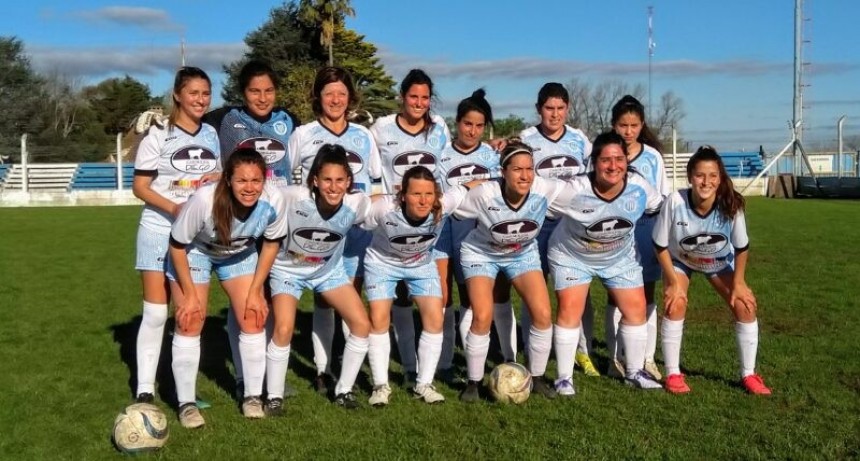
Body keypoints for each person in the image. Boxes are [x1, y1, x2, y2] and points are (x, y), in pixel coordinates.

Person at [167, 148, 286, 427]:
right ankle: (186, 403)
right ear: (228, 180)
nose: (250, 188)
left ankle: (252, 397)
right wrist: (191, 296)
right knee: (190, 319)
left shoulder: (273, 200)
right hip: (194, 252)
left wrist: (257, 290)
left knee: (254, 316)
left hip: (239, 254)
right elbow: (177, 245)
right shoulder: (204, 200)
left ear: (264, 180)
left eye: (256, 181)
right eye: (242, 180)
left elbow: (271, 243)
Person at [203, 59, 300, 400]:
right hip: (242, 220)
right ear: (242, 93)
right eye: (254, 91)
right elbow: (193, 132)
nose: (262, 97)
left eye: (269, 90)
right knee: (244, 302)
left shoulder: (289, 120)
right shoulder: (224, 119)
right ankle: (246, 377)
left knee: (271, 298)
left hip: (278, 221)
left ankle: (270, 376)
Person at [547, 132, 664, 395]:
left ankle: (633, 371)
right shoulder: (573, 190)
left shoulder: (640, 187)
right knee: (570, 310)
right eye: (606, 160)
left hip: (619, 257)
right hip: (572, 256)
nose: (613, 166)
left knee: (636, 309)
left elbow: (659, 208)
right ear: (594, 162)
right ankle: (564, 378)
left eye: (619, 159)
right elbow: (537, 195)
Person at [288, 66, 381, 395]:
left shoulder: (363, 135)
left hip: (355, 232)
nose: (336, 99)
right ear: (318, 97)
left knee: (351, 296)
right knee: (324, 300)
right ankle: (323, 368)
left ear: (350, 98)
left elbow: (375, 184)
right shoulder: (303, 134)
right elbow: (292, 183)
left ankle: (346, 364)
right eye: (329, 93)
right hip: (316, 233)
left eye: (342, 93)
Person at [131, 66, 221, 405]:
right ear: (177, 96)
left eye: (205, 93)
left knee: (188, 314)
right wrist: (174, 208)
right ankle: (144, 388)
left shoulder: (211, 135)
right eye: (194, 93)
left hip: (195, 238)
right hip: (158, 230)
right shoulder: (158, 134)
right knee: (156, 313)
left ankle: (183, 390)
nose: (200, 99)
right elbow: (140, 187)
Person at [453, 139, 567, 402]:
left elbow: (583, 192)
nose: (525, 175)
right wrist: (463, 187)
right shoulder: (484, 194)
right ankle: (473, 382)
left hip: (522, 253)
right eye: (517, 169)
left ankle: (535, 378)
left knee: (542, 313)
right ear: (503, 171)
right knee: (482, 315)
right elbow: (454, 205)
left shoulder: (545, 189)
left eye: (529, 168)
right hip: (481, 253)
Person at [653, 146, 771, 395]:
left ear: (720, 178)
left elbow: (742, 247)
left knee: (745, 305)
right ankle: (673, 373)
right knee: (676, 303)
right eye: (700, 175)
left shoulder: (732, 204)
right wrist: (673, 282)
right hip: (680, 260)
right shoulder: (675, 202)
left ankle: (748, 375)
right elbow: (660, 245)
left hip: (717, 262)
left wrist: (739, 283)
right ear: (690, 177)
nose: (706, 182)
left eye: (713, 176)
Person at [265, 144, 372, 412]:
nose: (333, 187)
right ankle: (274, 396)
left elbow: (389, 204)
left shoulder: (357, 204)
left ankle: (343, 391)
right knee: (284, 328)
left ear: (349, 181)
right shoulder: (291, 196)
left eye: (340, 180)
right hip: (287, 271)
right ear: (315, 180)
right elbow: (257, 191)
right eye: (327, 180)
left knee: (361, 324)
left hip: (328, 272)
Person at [363, 166, 476, 406]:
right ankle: (381, 385)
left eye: (428, 194)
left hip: (421, 264)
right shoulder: (384, 208)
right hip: (382, 263)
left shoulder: (444, 205)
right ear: (402, 195)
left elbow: (468, 186)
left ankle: (423, 384)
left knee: (435, 317)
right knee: (378, 318)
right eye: (416, 194)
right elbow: (358, 210)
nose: (424, 200)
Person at [369, 69, 451, 388]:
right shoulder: (382, 127)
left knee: (431, 292)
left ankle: (422, 372)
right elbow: (373, 171)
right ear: (402, 97)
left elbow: (444, 169)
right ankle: (406, 363)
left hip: (428, 217)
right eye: (413, 96)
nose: (419, 103)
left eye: (425, 97)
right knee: (398, 297)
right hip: (393, 220)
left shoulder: (439, 127)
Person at [516, 82, 595, 376]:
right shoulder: (526, 138)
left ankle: (582, 352)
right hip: (537, 225)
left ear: (568, 109)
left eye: (560, 108)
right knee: (533, 288)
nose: (555, 114)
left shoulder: (579, 140)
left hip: (573, 226)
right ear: (539, 109)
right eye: (549, 108)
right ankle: (530, 347)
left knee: (577, 292)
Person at [433, 89, 506, 381]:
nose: (472, 131)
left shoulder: (491, 156)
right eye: (467, 124)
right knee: (442, 296)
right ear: (457, 123)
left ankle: (472, 357)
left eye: (478, 126)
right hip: (441, 232)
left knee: (469, 297)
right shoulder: (441, 154)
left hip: (474, 235)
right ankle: (445, 362)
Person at [605, 95, 670, 380]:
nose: (628, 131)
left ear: (641, 125)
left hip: (646, 229)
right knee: (615, 295)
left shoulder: (653, 156)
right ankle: (615, 357)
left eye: (633, 125)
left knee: (647, 295)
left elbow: (663, 197)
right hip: (615, 232)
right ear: (613, 125)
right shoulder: (606, 153)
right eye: (622, 125)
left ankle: (646, 357)